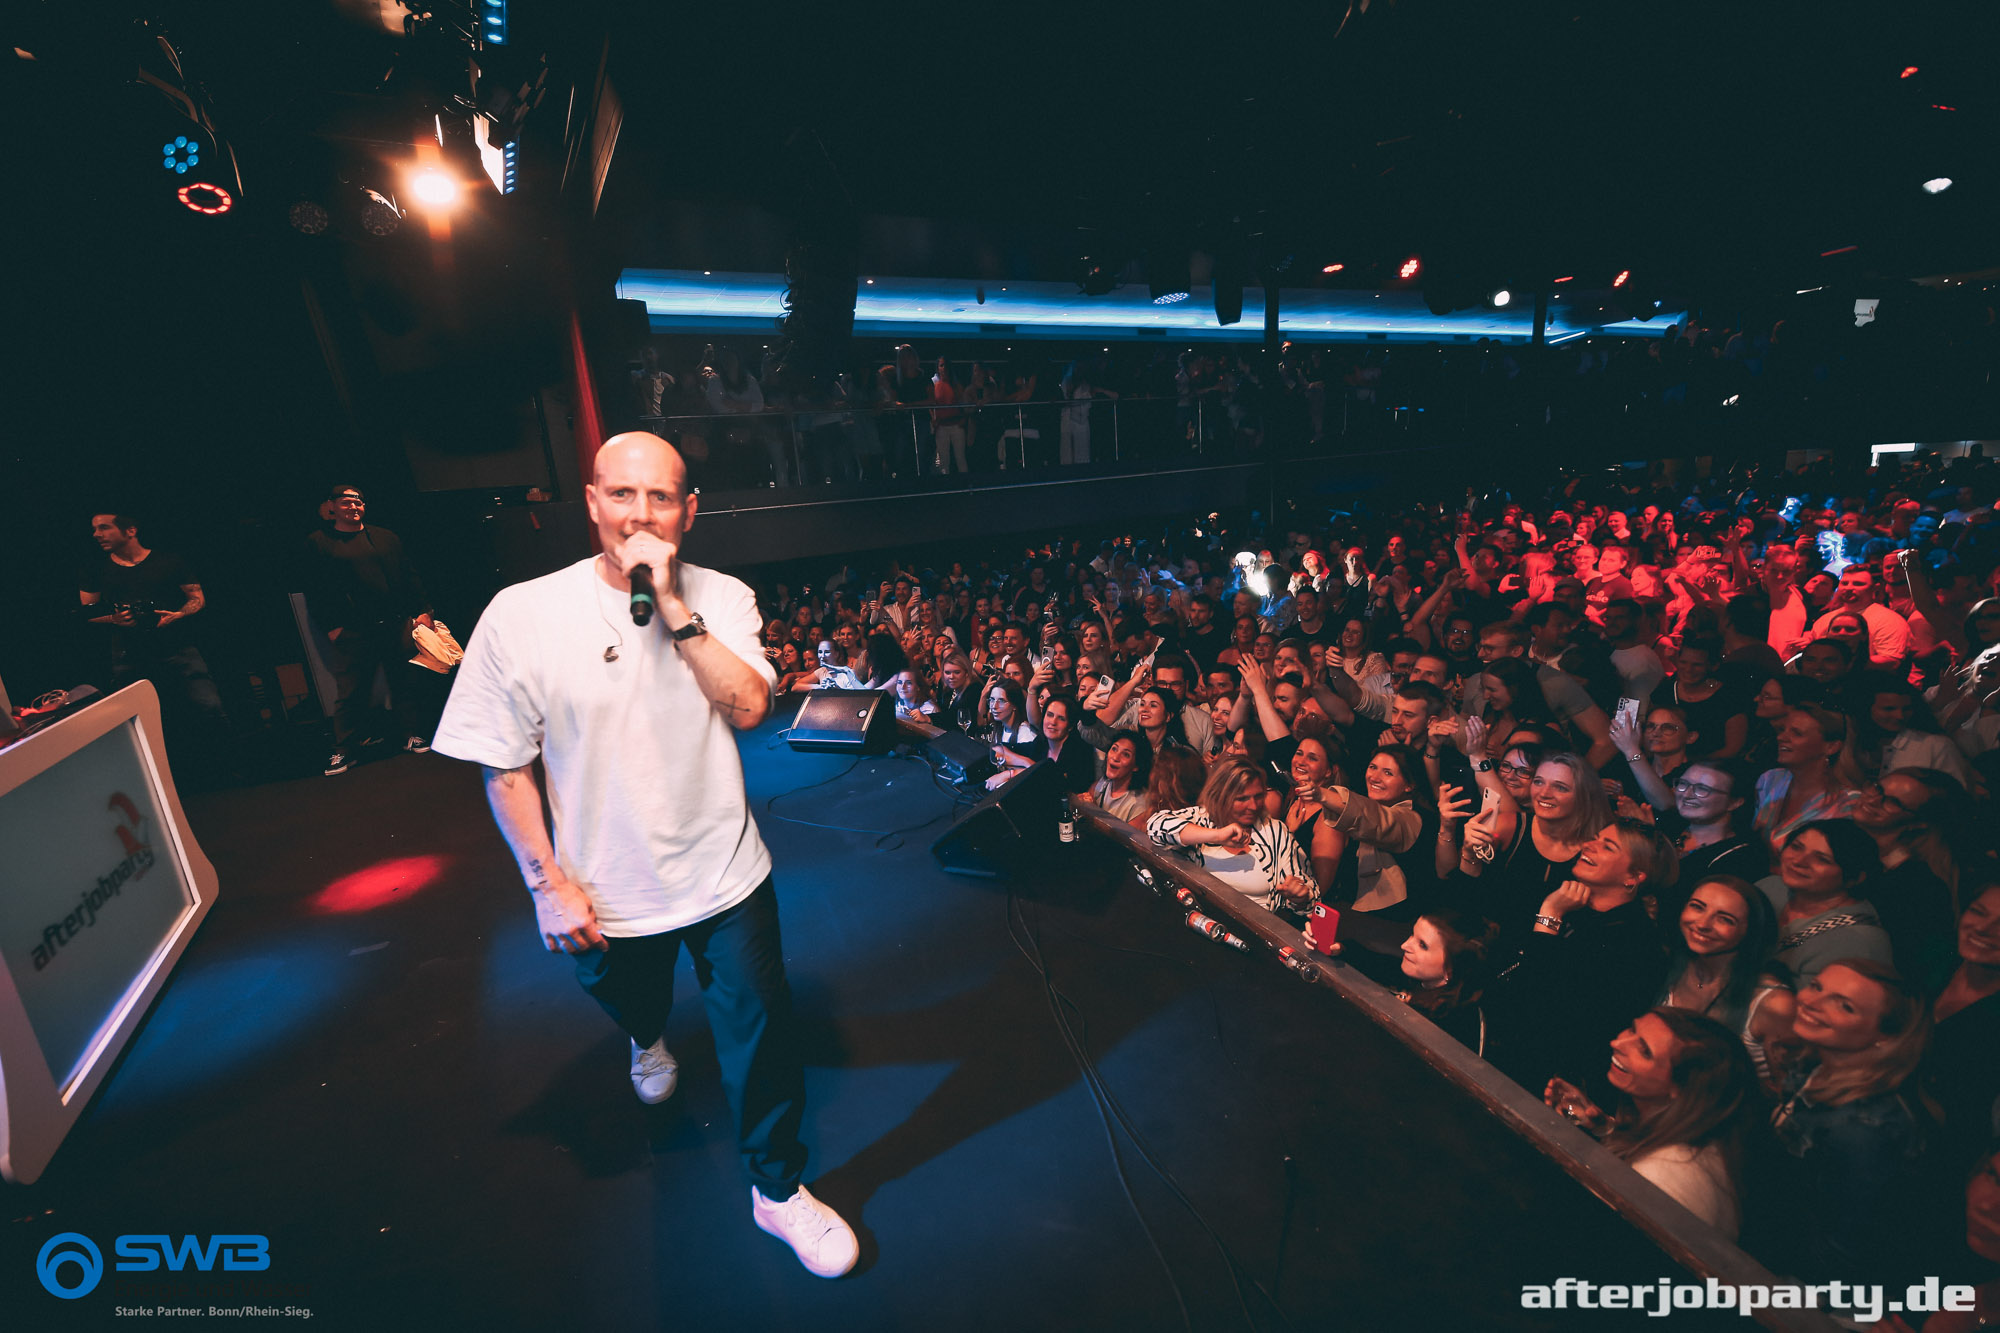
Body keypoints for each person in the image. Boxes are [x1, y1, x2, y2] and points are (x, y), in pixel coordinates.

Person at [429, 432, 856, 1277]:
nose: (640, 513)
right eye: (622, 494)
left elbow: (749, 707)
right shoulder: (520, 612)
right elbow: (504, 764)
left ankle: (777, 1189)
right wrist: (546, 884)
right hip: (605, 887)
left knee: (763, 1034)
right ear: (592, 501)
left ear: (688, 510)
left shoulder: (722, 597)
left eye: (661, 496)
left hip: (726, 872)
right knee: (631, 999)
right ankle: (647, 1036)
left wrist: (670, 604)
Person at [1763, 959, 1932, 1286]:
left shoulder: (1864, 1130)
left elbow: (1840, 1255)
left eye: (1844, 1006)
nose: (1811, 1002)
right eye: (1817, 987)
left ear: (1885, 1037)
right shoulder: (1813, 1066)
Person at [1483, 816, 1676, 1093]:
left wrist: (1549, 916)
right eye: (1595, 838)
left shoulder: (1634, 943)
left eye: (1608, 846)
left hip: (1544, 1079)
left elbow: (1541, 1004)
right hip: (1502, 1045)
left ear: (1633, 877)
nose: (1589, 845)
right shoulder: (1571, 901)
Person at [1543, 1008, 1753, 1238]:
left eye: (1644, 1051)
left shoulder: (1660, 1179)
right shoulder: (1700, 1140)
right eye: (1632, 1029)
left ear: (1681, 1089)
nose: (1616, 1043)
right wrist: (1604, 1127)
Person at [79, 510, 231, 775]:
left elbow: (196, 597)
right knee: (137, 719)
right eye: (95, 529)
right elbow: (87, 613)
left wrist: (178, 615)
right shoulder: (96, 569)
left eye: (104, 528)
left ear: (130, 530)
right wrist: (115, 619)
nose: (97, 534)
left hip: (176, 646)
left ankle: (225, 766)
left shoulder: (167, 561)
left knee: (208, 706)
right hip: (129, 653)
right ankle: (155, 775)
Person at [302, 485, 439, 776]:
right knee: (351, 691)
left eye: (358, 502)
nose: (353, 506)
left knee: (403, 681)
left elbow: (409, 575)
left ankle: (410, 735)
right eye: (346, 502)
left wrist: (423, 610)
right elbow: (315, 588)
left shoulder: (385, 538)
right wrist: (332, 626)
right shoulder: (320, 542)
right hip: (353, 629)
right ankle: (343, 750)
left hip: (394, 622)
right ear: (332, 506)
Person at [1147, 757, 1318, 918]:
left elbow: (1312, 898)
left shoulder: (1274, 832)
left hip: (1254, 929)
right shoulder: (1201, 818)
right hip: (1200, 921)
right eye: (1242, 799)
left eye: (1258, 796)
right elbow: (1155, 827)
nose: (1253, 806)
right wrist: (1217, 836)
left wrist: (1300, 896)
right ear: (1220, 796)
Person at [1761, 820, 1894, 978]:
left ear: (1855, 878)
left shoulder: (1856, 942)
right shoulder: (1770, 888)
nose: (1798, 861)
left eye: (1822, 859)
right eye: (1796, 847)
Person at [1080, 729, 1151, 822]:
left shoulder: (1140, 804)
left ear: (1136, 766)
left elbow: (1125, 833)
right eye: (1114, 749)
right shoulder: (1103, 783)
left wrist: (1094, 812)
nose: (1115, 757)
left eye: (1126, 754)